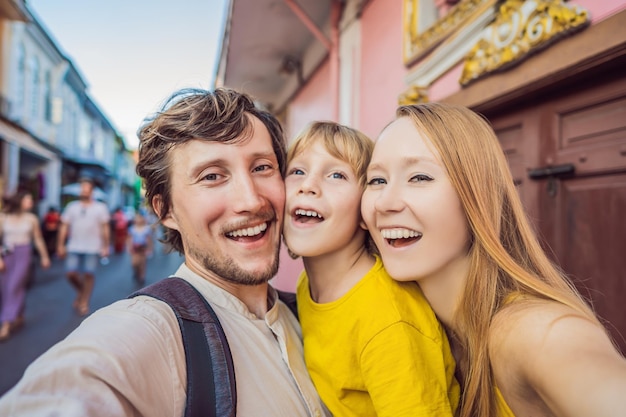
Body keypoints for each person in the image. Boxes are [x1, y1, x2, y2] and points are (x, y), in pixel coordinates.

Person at [0, 87, 329, 417]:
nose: (251, 200)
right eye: (212, 176)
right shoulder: (154, 330)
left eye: (262, 167)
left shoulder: (310, 313)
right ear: (166, 210)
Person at [360, 102, 626, 417]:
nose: (385, 203)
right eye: (376, 180)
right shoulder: (406, 328)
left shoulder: (537, 331)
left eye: (419, 177)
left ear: (478, 196)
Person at [283, 121, 459, 416]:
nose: (308, 185)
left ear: (367, 207)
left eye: (336, 175)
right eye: (297, 171)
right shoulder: (307, 284)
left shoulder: (387, 320)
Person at [0, 191, 50, 341]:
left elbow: (38, 239)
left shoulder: (32, 219)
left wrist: (44, 256)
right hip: (6, 254)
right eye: (28, 198)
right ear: (19, 200)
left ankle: (6, 324)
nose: (31, 202)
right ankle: (19, 314)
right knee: (6, 287)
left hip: (24, 254)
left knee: (14, 285)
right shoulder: (4, 217)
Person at [56, 177, 110, 316]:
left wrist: (106, 246)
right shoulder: (72, 206)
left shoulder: (100, 207)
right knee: (70, 273)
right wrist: (60, 245)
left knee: (89, 274)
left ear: (92, 191)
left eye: (87, 188)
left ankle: (84, 301)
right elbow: (64, 226)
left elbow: (105, 228)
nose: (84, 191)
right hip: (74, 246)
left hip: (93, 247)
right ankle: (81, 291)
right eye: (82, 188)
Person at [126, 211, 153, 285]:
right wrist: (129, 247)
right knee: (134, 263)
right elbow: (129, 239)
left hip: (143, 248)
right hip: (135, 248)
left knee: (142, 263)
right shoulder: (132, 229)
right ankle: (136, 273)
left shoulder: (146, 229)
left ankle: (142, 277)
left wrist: (149, 249)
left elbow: (149, 240)